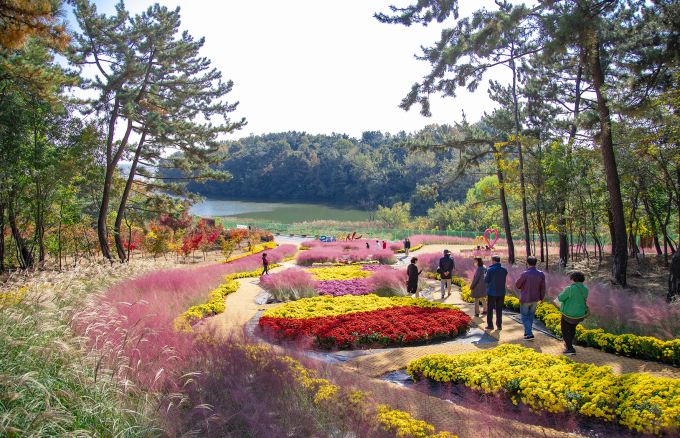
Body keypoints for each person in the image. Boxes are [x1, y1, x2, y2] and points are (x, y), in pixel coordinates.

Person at [556, 271, 589, 355]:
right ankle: (568, 344)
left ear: (573, 279)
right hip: (579, 314)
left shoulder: (569, 288)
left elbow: (560, 298)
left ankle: (570, 349)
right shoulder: (585, 289)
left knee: (565, 330)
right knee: (572, 329)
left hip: (568, 314)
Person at [515, 256, 546, 341]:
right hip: (535, 298)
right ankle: (527, 332)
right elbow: (543, 288)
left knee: (524, 317)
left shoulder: (525, 274)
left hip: (525, 298)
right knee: (531, 317)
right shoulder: (541, 274)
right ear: (536, 263)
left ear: (527, 263)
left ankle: (529, 334)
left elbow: (517, 285)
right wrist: (541, 298)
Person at [484, 255, 508, 330]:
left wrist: (485, 276)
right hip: (501, 292)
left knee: (490, 309)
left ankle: (490, 325)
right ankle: (499, 325)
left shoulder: (491, 269)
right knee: (499, 309)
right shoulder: (504, 269)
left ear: (493, 260)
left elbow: (486, 280)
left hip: (492, 291)